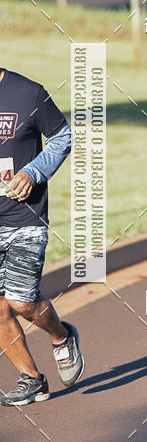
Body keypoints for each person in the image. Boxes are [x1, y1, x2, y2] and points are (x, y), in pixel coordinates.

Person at [0, 68, 84, 406]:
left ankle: (61, 335)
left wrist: (33, 172)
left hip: (24, 216)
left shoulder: (28, 92)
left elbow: (62, 137)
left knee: (21, 301)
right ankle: (32, 379)